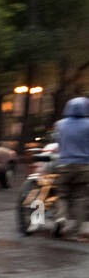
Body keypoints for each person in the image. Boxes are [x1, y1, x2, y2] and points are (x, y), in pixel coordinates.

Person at [53, 96, 89, 242]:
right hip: (84, 167)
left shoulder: (60, 124)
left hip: (64, 165)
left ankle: (61, 218)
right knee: (80, 197)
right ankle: (80, 231)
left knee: (62, 195)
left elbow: (57, 141)